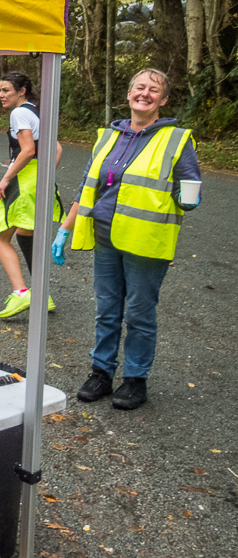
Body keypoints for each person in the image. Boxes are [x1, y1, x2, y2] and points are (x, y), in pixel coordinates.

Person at [53, 69, 200, 411]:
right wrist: (65, 227)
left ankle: (135, 380)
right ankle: (101, 373)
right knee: (106, 310)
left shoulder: (177, 139)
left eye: (154, 90)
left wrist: (188, 199)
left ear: (163, 100)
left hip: (147, 243)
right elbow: (86, 187)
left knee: (139, 313)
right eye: (139, 87)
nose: (145, 93)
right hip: (106, 237)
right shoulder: (108, 136)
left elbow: (188, 190)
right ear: (129, 94)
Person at [0, 71, 63, 318]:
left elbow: (28, 150)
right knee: (24, 234)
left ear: (21, 91)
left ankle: (21, 293)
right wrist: (44, 174)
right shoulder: (38, 111)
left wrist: (7, 177)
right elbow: (57, 148)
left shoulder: (19, 113)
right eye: (0, 90)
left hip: (23, 181)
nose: (0, 95)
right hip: (39, 180)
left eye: (6, 90)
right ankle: (41, 295)